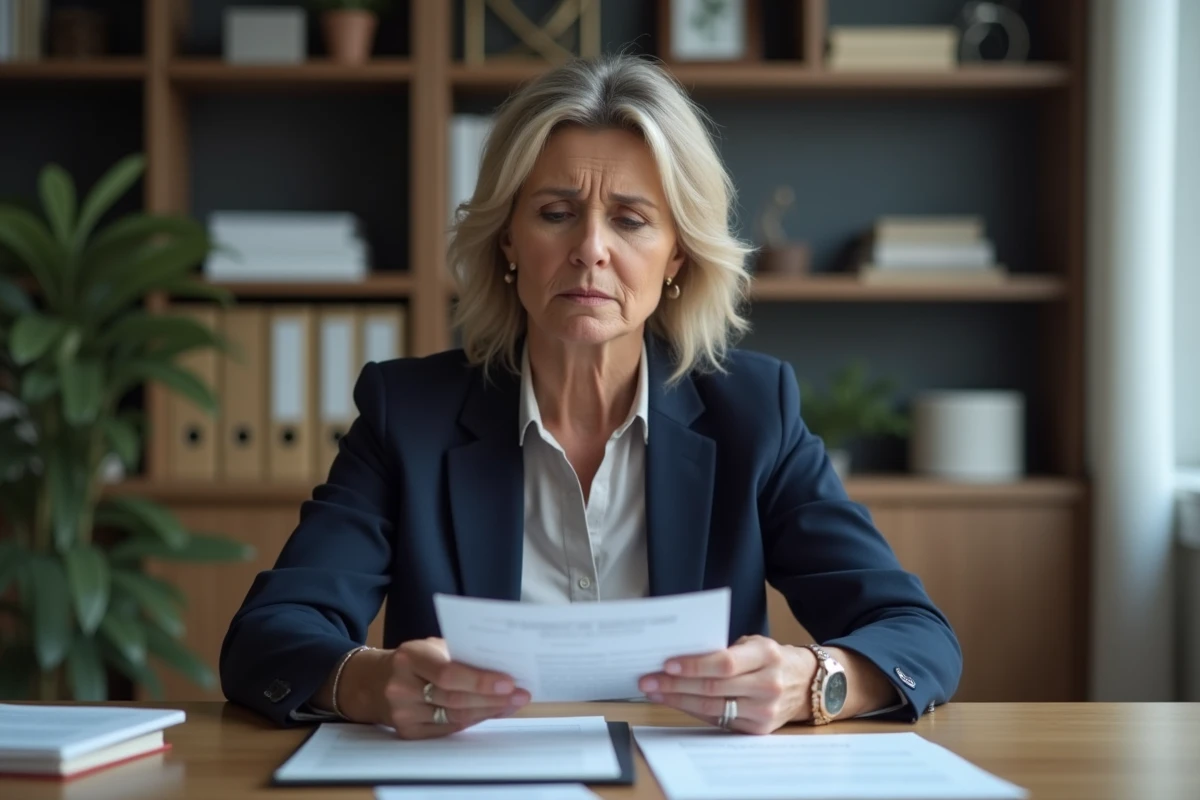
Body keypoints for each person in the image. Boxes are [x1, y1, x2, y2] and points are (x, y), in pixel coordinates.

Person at [220, 53, 961, 738]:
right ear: (507, 241)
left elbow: (914, 633)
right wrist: (369, 683)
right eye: (555, 212)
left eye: (631, 220)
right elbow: (268, 637)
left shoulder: (753, 413)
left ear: (677, 254)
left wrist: (815, 681)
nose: (591, 248)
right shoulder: (406, 414)